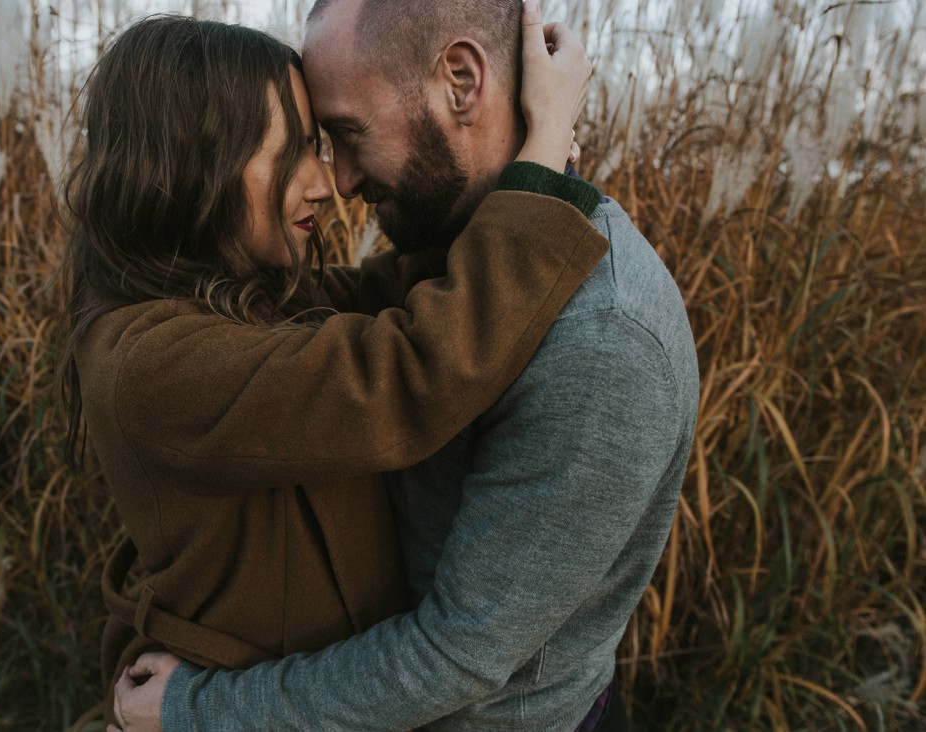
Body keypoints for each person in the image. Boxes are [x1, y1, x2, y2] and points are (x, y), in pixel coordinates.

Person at [112, 0, 700, 731]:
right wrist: (546, 150)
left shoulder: (604, 341)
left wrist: (198, 710)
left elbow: (456, 659)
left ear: (461, 81)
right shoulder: (454, 262)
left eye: (346, 135)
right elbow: (387, 344)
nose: (342, 182)